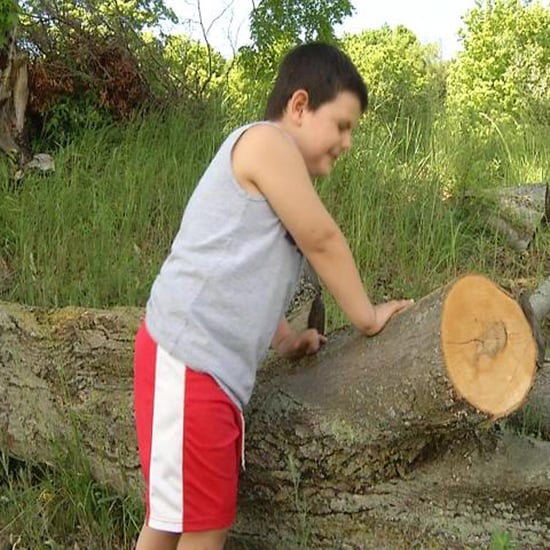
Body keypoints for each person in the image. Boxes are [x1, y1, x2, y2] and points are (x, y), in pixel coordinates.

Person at [133, 41, 412, 550]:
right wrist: (368, 317)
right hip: (189, 358)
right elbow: (322, 239)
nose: (348, 142)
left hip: (200, 367)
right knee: (202, 526)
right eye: (343, 125)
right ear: (300, 106)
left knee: (175, 519)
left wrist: (283, 341)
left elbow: (243, 279)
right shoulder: (266, 143)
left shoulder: (280, 174)